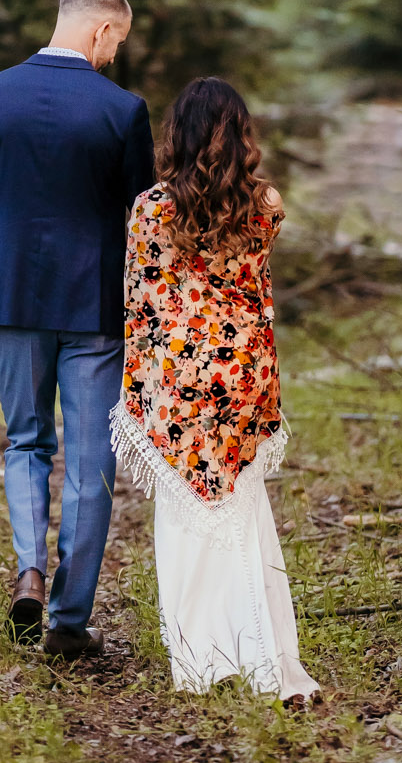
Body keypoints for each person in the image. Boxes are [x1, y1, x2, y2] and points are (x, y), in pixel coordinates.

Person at [0, 0, 154, 658]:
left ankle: (30, 565)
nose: (114, 58)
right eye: (118, 43)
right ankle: (68, 622)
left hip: (11, 301)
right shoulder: (123, 110)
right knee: (90, 465)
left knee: (26, 442)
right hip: (92, 310)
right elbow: (147, 224)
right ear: (103, 31)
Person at [111, 76, 320, 703]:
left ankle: (202, 661)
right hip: (243, 373)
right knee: (244, 513)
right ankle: (262, 654)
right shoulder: (268, 205)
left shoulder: (152, 208)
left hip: (180, 375)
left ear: (180, 133)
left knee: (185, 521)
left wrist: (138, 391)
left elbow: (142, 304)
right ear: (242, 135)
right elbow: (254, 293)